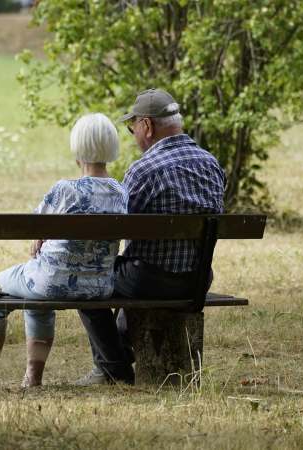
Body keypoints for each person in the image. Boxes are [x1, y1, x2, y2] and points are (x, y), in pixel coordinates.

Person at [75, 88, 227, 386]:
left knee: (85, 279)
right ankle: (115, 360)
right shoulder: (212, 164)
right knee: (129, 271)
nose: (134, 136)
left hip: (149, 280)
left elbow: (116, 228)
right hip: (196, 280)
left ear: (146, 125)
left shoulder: (143, 170)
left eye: (133, 129)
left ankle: (113, 369)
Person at [0, 113, 128, 390]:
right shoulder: (120, 192)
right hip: (98, 287)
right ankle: (32, 378)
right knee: (36, 293)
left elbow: (34, 227)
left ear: (77, 148)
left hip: (51, 282)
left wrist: (40, 237)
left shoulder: (65, 189)